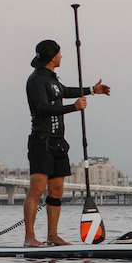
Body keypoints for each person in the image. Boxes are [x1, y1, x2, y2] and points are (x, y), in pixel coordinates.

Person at [23, 39, 110, 247]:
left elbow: (65, 91)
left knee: (56, 190)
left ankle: (52, 236)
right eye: (60, 54)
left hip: (58, 143)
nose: (62, 57)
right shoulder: (36, 80)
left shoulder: (52, 79)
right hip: (41, 141)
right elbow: (42, 108)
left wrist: (91, 90)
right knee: (36, 189)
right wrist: (73, 108)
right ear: (53, 57)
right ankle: (30, 237)